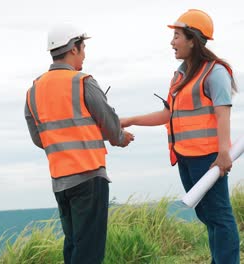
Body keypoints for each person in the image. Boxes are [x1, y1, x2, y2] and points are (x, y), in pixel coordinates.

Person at [121, 9, 239, 263]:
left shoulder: (214, 72)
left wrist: (223, 154)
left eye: (176, 36)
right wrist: (130, 120)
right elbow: (168, 115)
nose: (172, 42)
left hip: (208, 158)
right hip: (185, 157)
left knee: (219, 216)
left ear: (192, 39)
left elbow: (222, 114)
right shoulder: (181, 74)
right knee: (208, 216)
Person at [24, 24, 134, 264]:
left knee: (74, 245)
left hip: (60, 183)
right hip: (89, 177)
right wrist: (120, 137)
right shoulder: (82, 82)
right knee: (89, 251)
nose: (84, 54)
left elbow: (39, 138)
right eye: (83, 48)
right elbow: (108, 122)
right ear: (73, 48)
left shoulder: (33, 90)